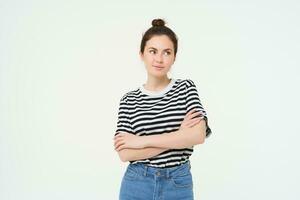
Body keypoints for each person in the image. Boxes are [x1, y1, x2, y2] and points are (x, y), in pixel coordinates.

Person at [113, 18, 212, 200]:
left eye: (167, 52)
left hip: (177, 182)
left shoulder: (185, 88)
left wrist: (141, 141)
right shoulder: (128, 100)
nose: (159, 59)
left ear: (174, 56)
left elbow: (197, 136)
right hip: (137, 183)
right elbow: (125, 153)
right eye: (153, 51)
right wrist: (179, 135)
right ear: (142, 54)